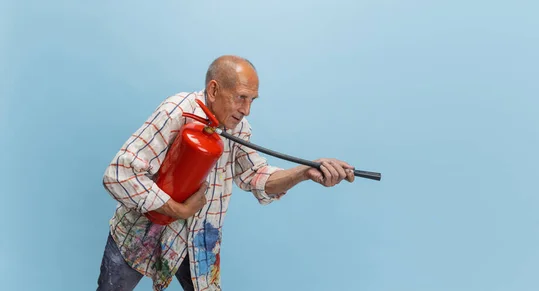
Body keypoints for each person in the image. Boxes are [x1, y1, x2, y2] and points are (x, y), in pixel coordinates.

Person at [96, 55, 355, 291]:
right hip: (141, 236)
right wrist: (180, 210)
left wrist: (305, 172)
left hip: (199, 242)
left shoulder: (238, 129)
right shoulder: (174, 112)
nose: (246, 110)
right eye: (241, 97)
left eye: (252, 100)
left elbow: (256, 176)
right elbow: (119, 174)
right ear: (214, 90)